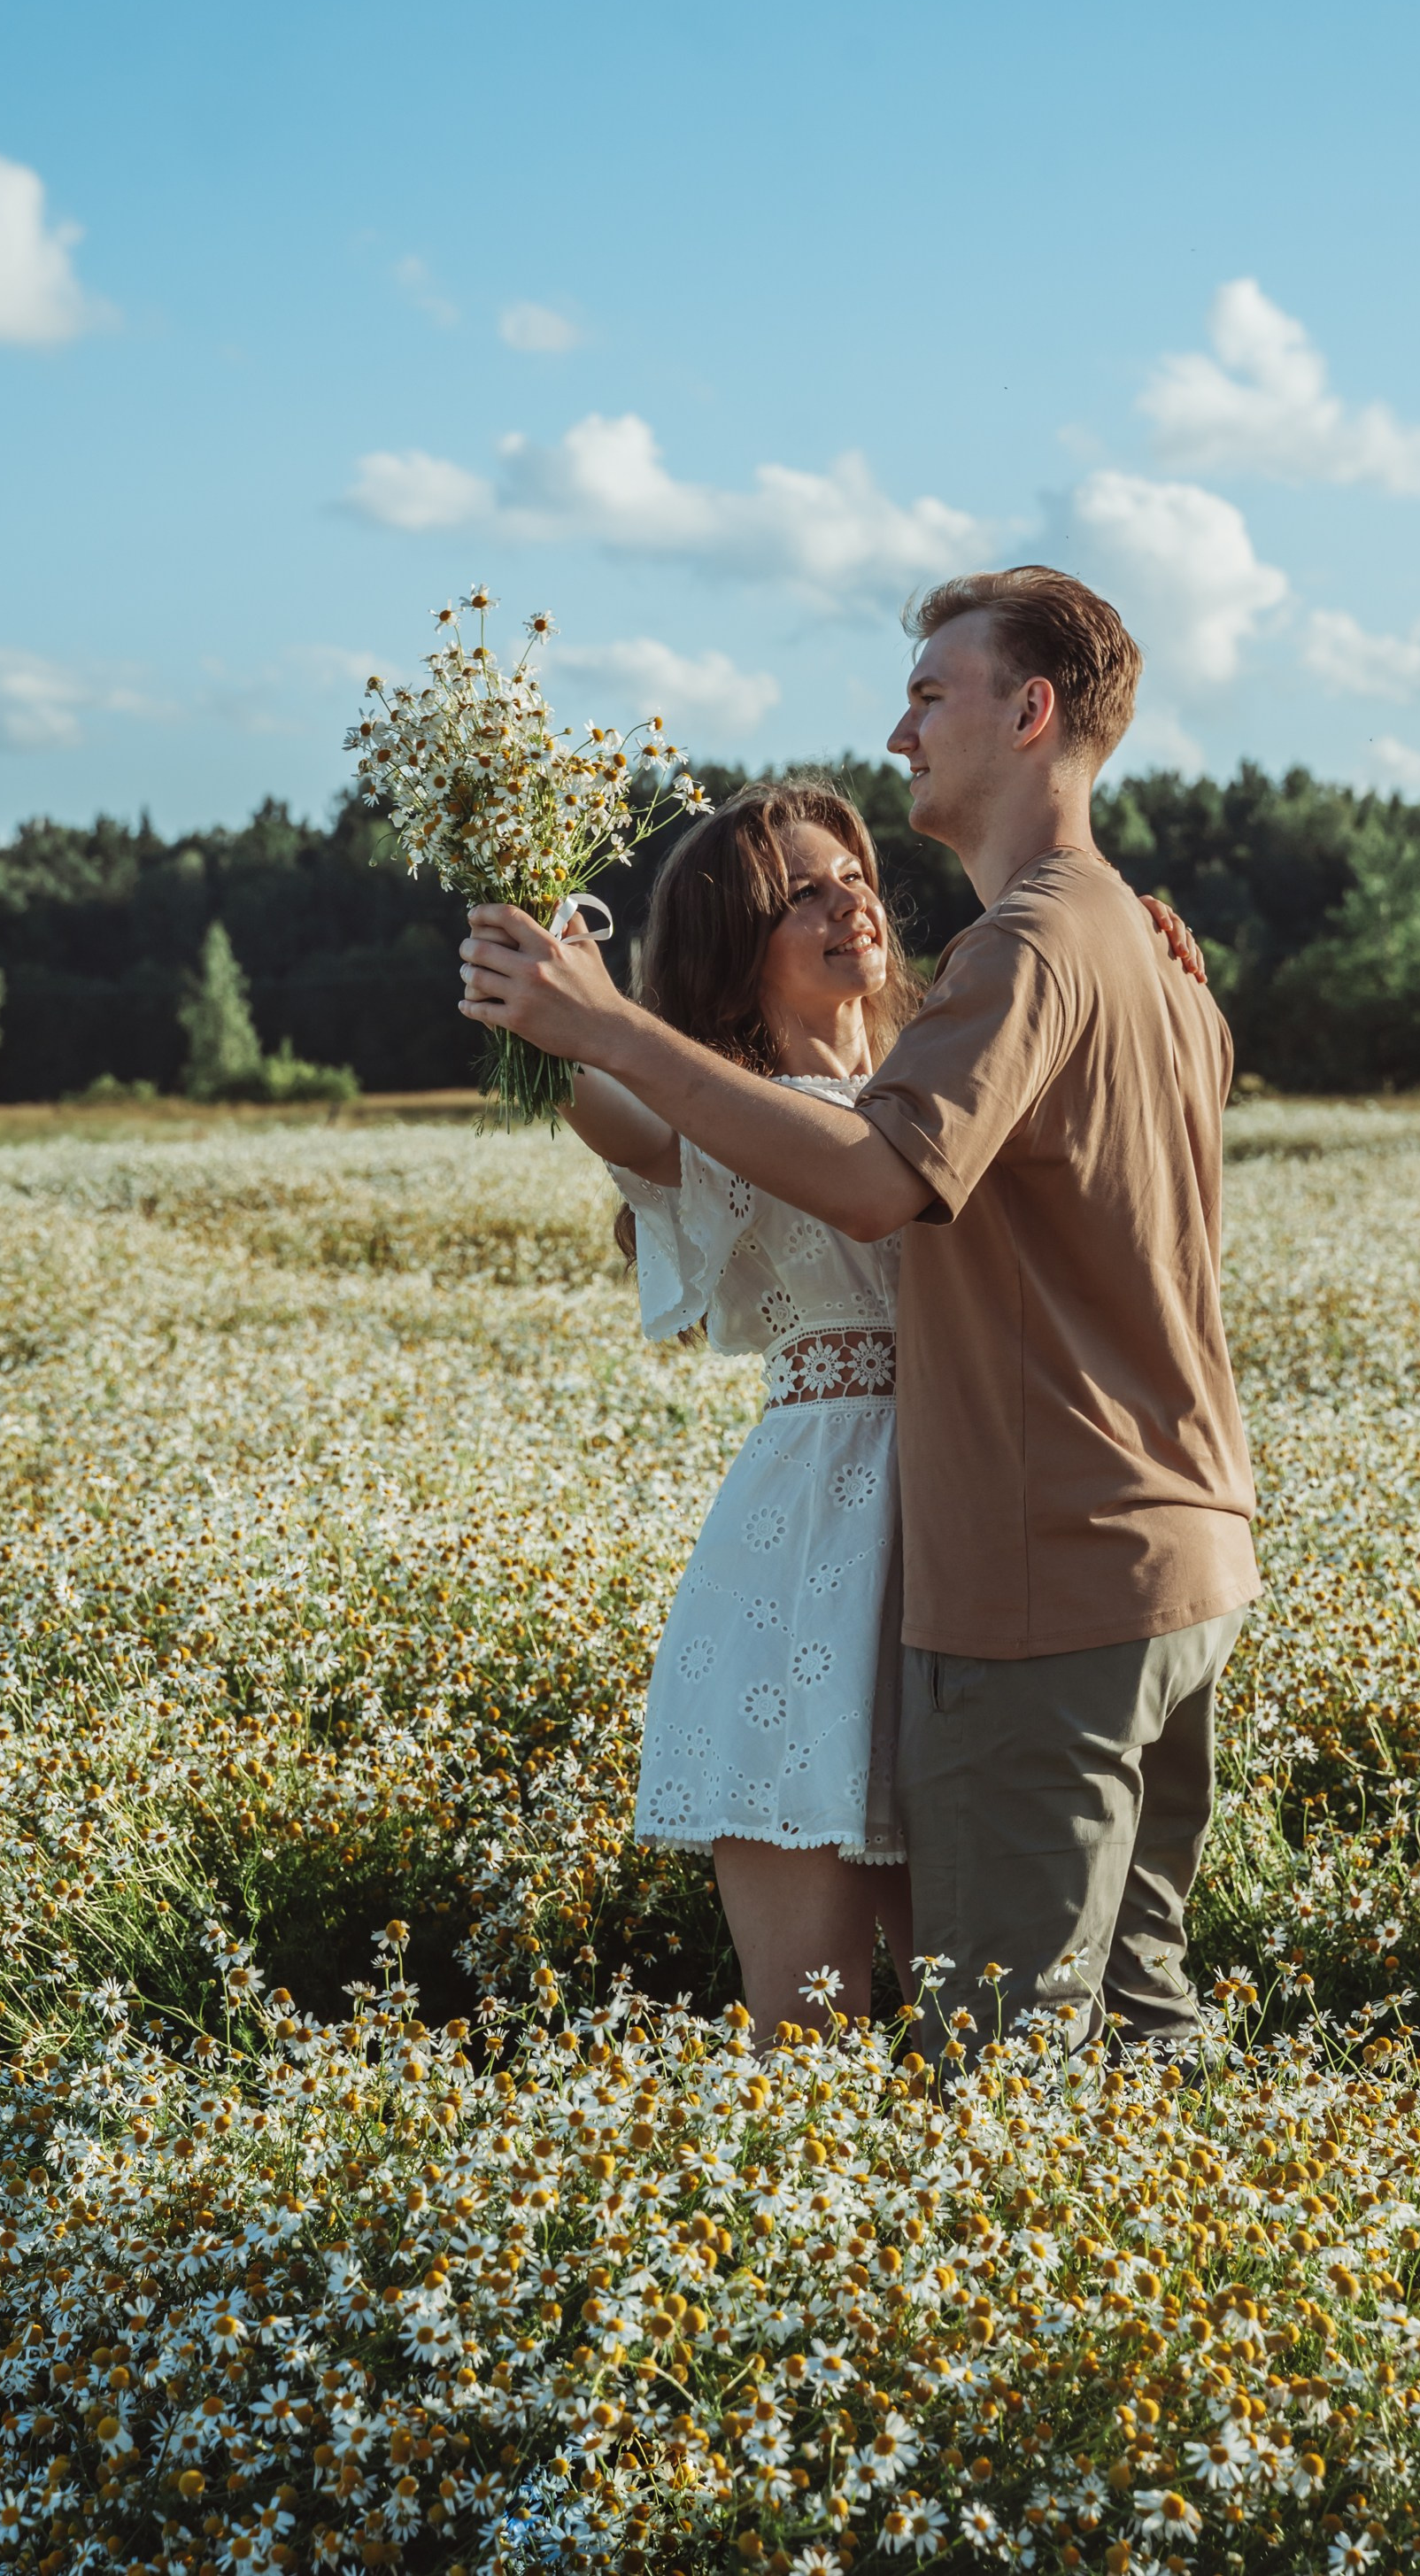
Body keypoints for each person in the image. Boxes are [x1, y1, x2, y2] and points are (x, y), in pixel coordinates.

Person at [461, 566, 1259, 2066]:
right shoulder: (1075, 963)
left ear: (1030, 715)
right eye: (798, 893)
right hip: (918, 1555)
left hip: (1023, 1558)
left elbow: (882, 1174)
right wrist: (546, 999)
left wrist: (604, 1018)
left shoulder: (1024, 970)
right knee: (1044, 2035)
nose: (901, 737)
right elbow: (629, 1112)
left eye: (929, 697)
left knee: (1011, 2053)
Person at [543, 780, 918, 2046]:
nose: (846, 901)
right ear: (728, 949)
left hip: (978, 1534)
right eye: (798, 894)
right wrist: (566, 1021)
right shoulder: (719, 1116)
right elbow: (617, 1120)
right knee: (812, 2026)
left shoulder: (948, 1080)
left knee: (989, 2015)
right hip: (812, 1556)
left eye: (853, 876)